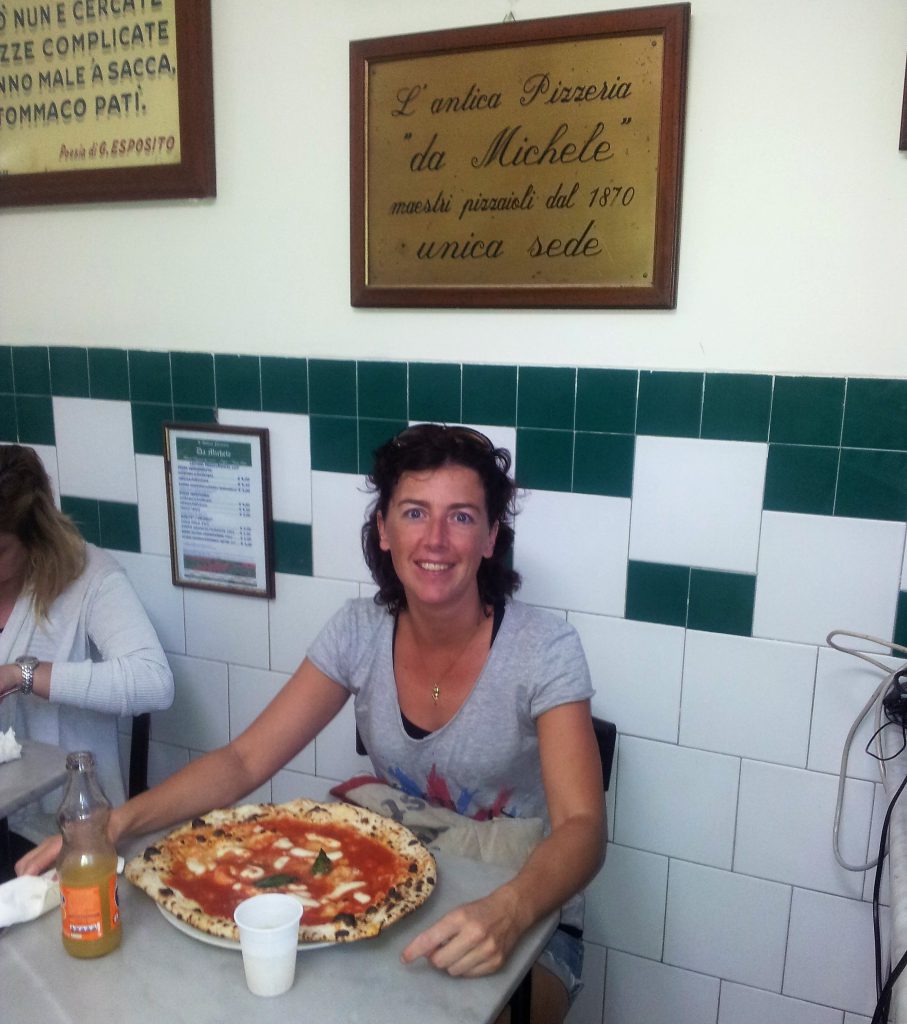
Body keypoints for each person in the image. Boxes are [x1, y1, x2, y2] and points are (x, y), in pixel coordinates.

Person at [19, 425, 604, 1024]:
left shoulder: (543, 648)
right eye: (413, 512)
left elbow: (583, 827)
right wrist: (113, 824)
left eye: (460, 517)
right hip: (399, 887)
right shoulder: (358, 630)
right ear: (383, 529)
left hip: (530, 908)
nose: (435, 539)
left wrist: (508, 912)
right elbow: (245, 761)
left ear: (489, 538)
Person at [0, 444, 175, 861]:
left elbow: (154, 682)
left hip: (59, 830)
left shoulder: (89, 577)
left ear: (35, 537)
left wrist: (22, 676)